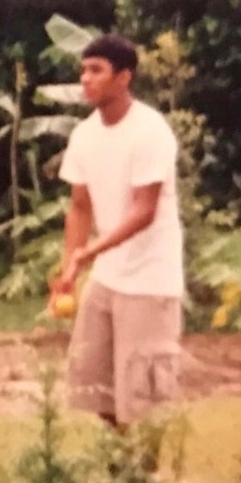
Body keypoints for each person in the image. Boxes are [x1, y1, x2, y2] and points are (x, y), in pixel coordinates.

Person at [52, 34, 186, 429]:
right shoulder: (85, 135)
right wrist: (68, 271)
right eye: (83, 70)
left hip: (150, 279)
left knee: (142, 394)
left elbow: (144, 211)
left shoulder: (150, 131)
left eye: (97, 70)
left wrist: (90, 252)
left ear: (124, 77)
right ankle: (120, 467)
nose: (86, 79)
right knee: (96, 384)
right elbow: (79, 206)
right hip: (108, 278)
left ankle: (142, 475)